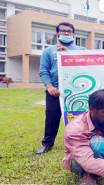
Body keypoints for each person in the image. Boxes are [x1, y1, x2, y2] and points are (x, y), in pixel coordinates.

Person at [36, 22, 86, 155]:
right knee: (52, 118)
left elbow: (85, 67)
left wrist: (69, 55)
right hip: (55, 91)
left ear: (73, 34)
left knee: (79, 118)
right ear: (57, 33)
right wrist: (50, 86)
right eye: (63, 31)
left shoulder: (82, 50)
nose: (66, 33)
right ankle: (47, 144)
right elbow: (44, 71)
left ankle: (81, 143)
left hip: (76, 90)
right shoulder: (48, 51)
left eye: (69, 31)